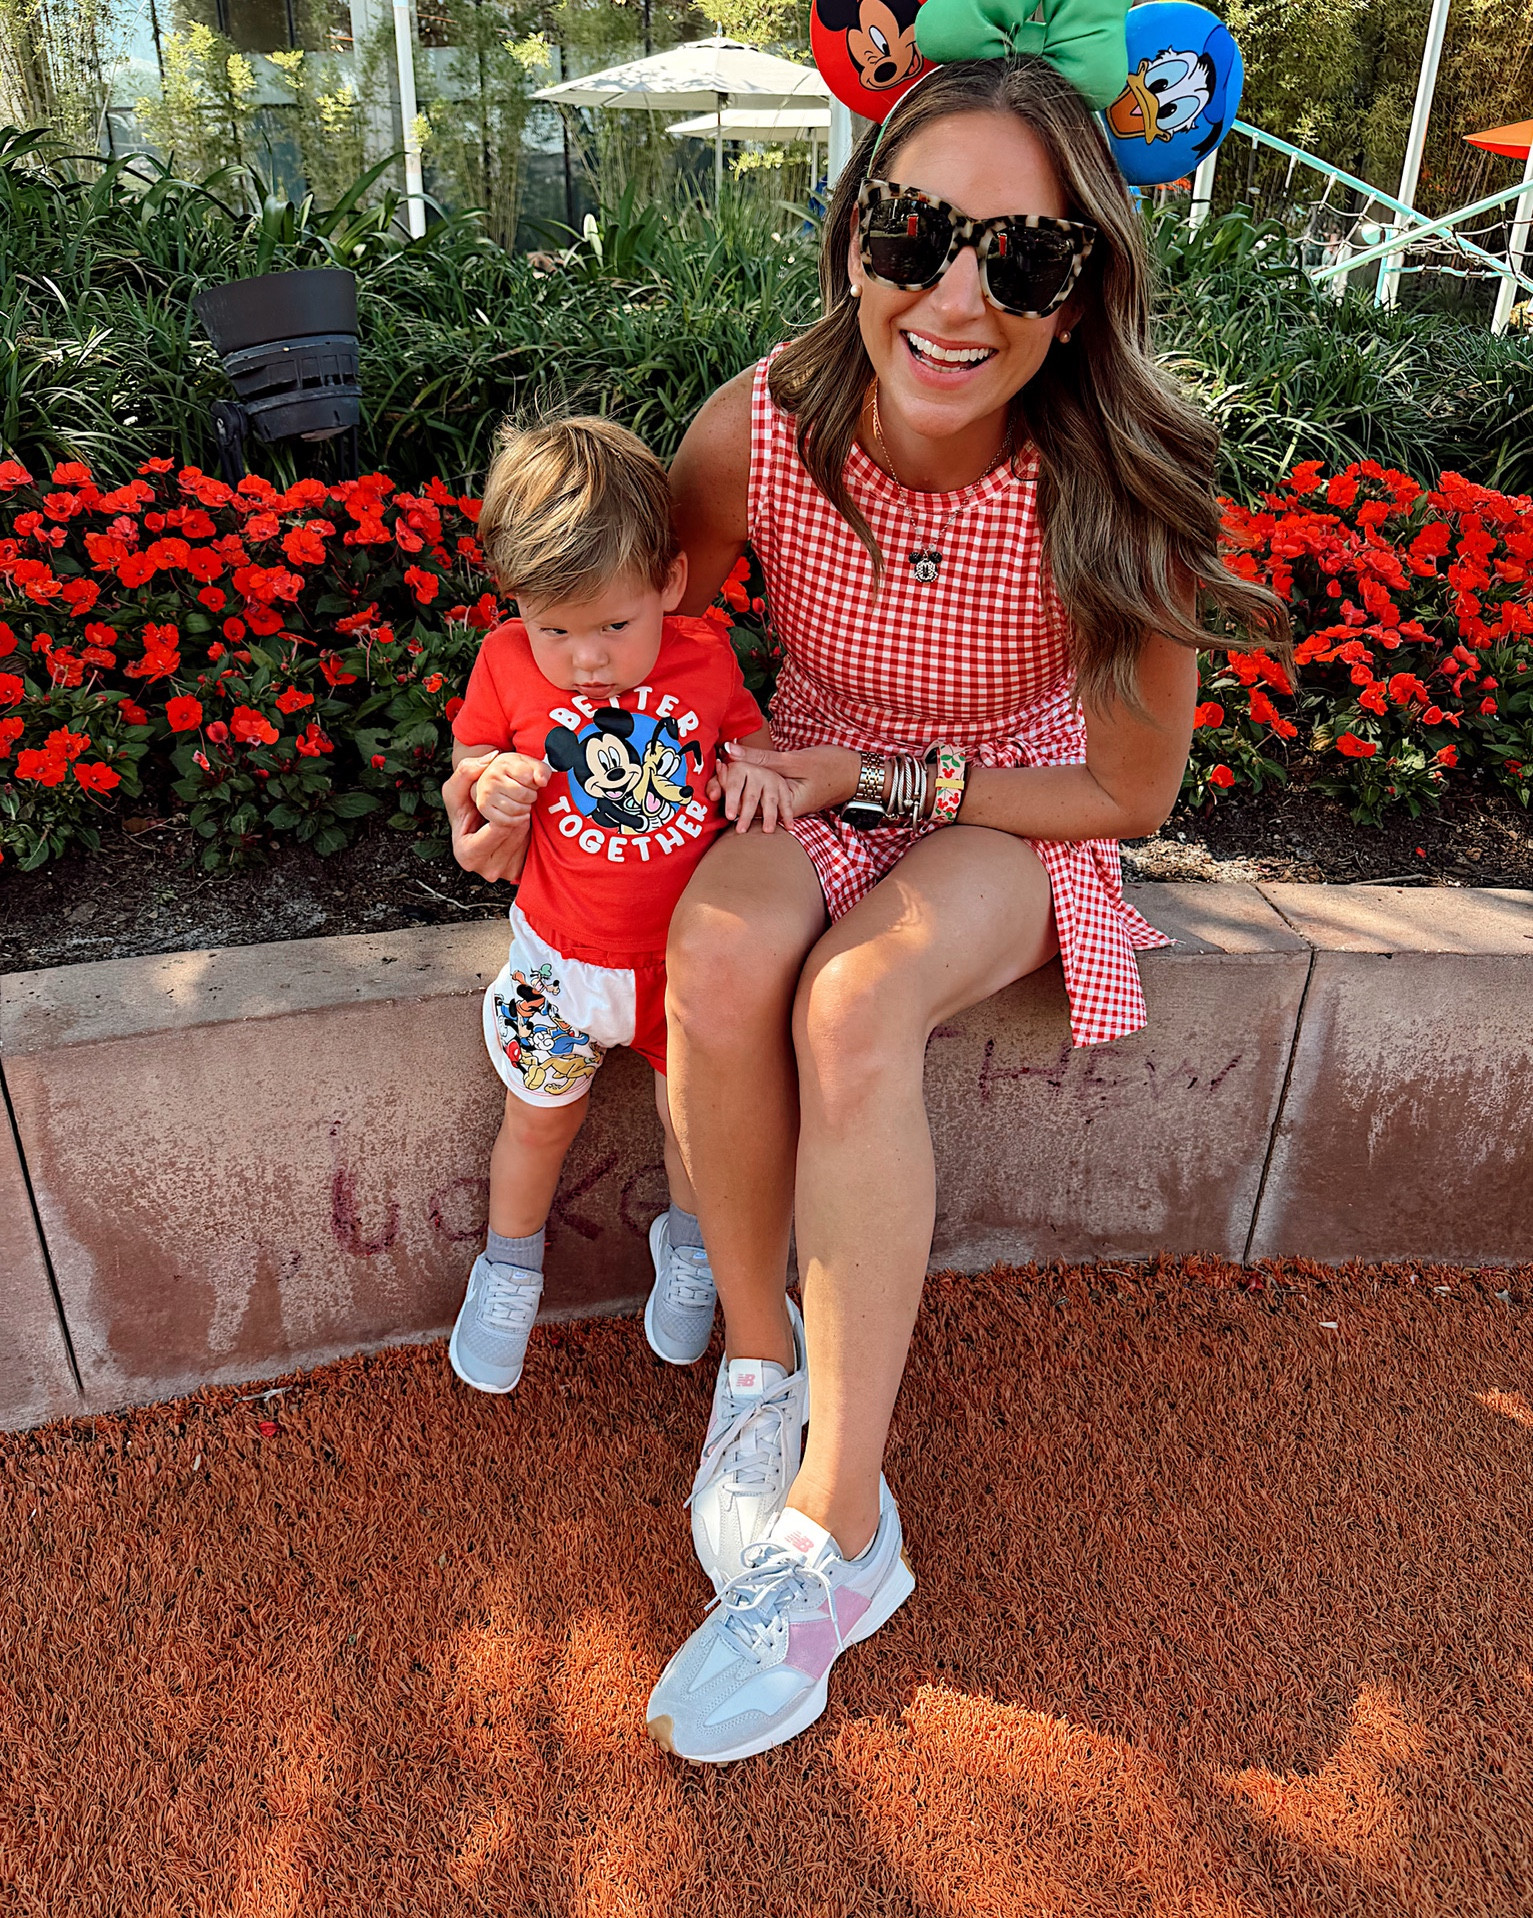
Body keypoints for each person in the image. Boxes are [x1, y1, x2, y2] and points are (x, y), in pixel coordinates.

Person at [643, 57, 1288, 1763]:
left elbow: (1126, 795)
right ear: (852, 231)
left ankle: (837, 1534)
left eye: (1020, 258)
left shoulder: (1124, 484)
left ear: (1078, 301)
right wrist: (542, 771)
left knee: (854, 1000)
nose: (951, 295)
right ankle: (762, 1367)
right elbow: (660, 648)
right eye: (916, 231)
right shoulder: (758, 425)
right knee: (716, 948)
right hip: (816, 765)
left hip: (1007, 793)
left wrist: (894, 779)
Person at [440, 417, 793, 1397]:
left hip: (684, 974)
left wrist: (757, 774)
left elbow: (750, 740)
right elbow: (466, 772)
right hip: (560, 966)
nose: (585, 659)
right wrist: (492, 779)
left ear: (671, 583)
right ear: (516, 607)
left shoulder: (705, 660)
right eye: (556, 628)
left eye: (613, 627)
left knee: (696, 1123)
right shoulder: (508, 665)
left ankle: (689, 1251)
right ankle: (509, 1266)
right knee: (539, 1121)